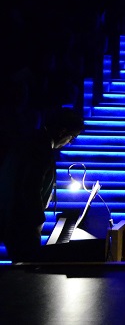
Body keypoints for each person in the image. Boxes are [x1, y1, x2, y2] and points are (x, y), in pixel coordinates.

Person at [0, 108, 84, 262]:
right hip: (21, 222)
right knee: (28, 269)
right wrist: (38, 220)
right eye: (72, 137)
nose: (70, 143)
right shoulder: (40, 150)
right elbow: (30, 188)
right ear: (62, 132)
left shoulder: (31, 141)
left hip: (11, 217)